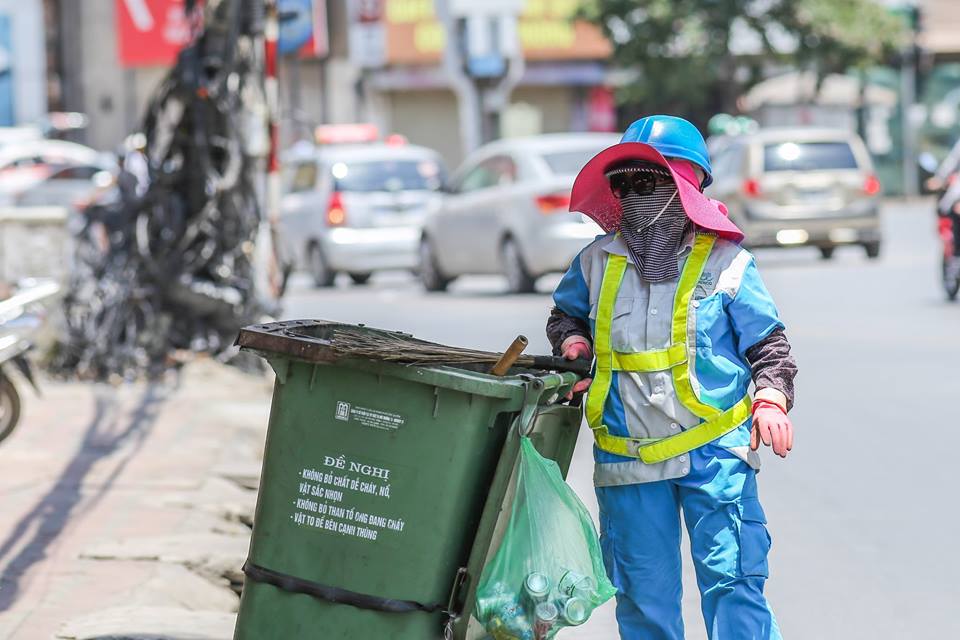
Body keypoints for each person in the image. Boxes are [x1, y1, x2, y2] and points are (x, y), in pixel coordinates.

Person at [546, 115, 797, 640]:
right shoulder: (596, 261)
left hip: (714, 455)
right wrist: (574, 345)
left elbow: (768, 344)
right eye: (623, 184)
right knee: (642, 598)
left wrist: (771, 399)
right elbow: (565, 315)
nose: (633, 195)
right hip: (629, 458)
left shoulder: (728, 263)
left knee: (734, 586)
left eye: (648, 181)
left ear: (683, 185)